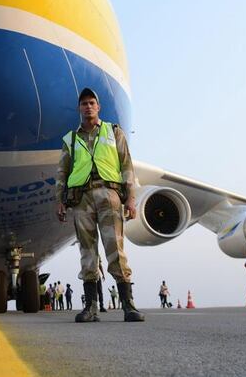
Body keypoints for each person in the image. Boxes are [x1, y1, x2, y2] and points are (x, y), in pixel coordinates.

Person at [56, 87, 145, 323]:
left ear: (99, 107)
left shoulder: (113, 132)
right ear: (79, 108)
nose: (88, 106)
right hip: (82, 198)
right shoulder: (71, 139)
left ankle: (128, 305)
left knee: (115, 248)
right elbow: (62, 173)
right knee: (87, 252)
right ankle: (91, 307)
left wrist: (131, 199)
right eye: (84, 103)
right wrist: (60, 201)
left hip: (109, 195)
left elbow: (127, 166)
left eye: (92, 103)